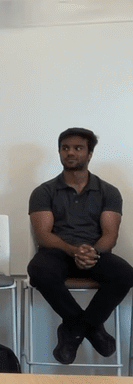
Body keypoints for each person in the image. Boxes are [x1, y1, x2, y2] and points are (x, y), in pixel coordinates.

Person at [28, 127, 133, 365]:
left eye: (78, 148)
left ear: (90, 154)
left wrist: (92, 252)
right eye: (65, 148)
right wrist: (74, 250)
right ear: (60, 152)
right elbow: (43, 235)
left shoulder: (109, 191)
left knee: (125, 274)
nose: (70, 153)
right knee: (39, 270)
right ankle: (91, 328)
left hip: (95, 253)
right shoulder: (43, 191)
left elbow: (110, 234)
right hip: (57, 254)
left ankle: (73, 332)